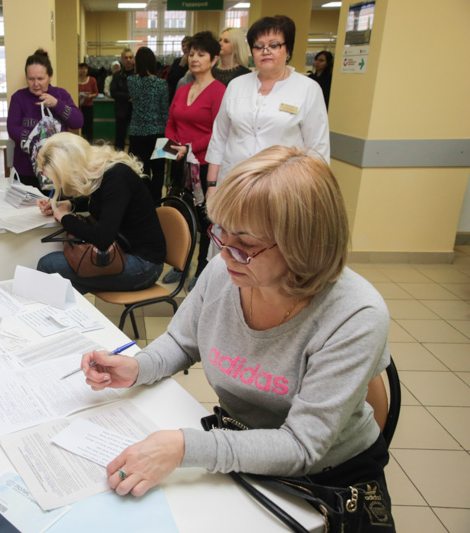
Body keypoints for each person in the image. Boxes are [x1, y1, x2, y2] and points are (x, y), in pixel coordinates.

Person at [80, 147, 395, 530]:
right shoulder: (225, 272)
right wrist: (137, 366)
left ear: (303, 244)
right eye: (221, 232)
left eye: (245, 243)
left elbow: (302, 446)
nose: (226, 254)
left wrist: (184, 447)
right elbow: (182, 341)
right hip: (241, 443)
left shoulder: (356, 315)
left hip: (328, 477)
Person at [205, 16, 330, 191]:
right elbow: (219, 137)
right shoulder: (236, 85)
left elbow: (317, 149)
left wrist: (312, 192)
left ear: (288, 49)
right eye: (258, 46)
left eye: (274, 45)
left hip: (283, 188)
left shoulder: (308, 89)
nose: (265, 51)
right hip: (234, 184)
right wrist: (212, 184)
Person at [35, 133, 166, 294]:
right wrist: (69, 204)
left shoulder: (117, 177)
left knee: (49, 266)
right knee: (65, 283)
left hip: (144, 264)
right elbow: (102, 203)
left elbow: (102, 239)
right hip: (124, 249)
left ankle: (59, 307)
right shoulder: (104, 170)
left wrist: (65, 218)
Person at [162, 32, 227, 289]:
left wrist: (189, 147)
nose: (194, 59)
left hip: (204, 165)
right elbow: (170, 123)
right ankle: (181, 264)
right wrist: (174, 147)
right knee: (179, 214)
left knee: (204, 220)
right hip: (179, 160)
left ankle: (201, 269)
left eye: (201, 54)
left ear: (213, 60)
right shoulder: (182, 89)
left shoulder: (219, 91)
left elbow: (218, 132)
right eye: (191, 54)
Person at [7, 50, 83, 189]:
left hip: (58, 168)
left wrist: (57, 105)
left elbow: (77, 122)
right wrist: (37, 140)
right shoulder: (19, 98)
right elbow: (12, 128)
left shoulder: (61, 94)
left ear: (50, 77)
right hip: (26, 170)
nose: (36, 84)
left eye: (40, 79)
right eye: (31, 79)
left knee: (56, 202)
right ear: (26, 78)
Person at [126, 47, 168, 202]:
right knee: (159, 169)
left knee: (139, 169)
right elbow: (165, 111)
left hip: (136, 132)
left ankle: (143, 200)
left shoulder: (131, 81)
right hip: (158, 133)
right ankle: (156, 200)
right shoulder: (162, 84)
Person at [110, 48, 136, 151]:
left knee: (134, 138)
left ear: (133, 59)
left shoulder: (138, 75)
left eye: (130, 57)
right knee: (120, 137)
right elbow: (113, 92)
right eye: (126, 58)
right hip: (121, 110)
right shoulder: (117, 76)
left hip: (135, 111)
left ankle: (133, 156)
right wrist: (128, 97)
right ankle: (118, 158)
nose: (128, 60)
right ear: (122, 59)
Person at [166, 36, 191, 103]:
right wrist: (181, 66)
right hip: (177, 95)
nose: (185, 48)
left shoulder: (195, 61)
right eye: (183, 46)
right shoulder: (177, 61)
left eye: (187, 45)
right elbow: (170, 81)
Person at [77, 62, 98, 142]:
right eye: (81, 68)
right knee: (78, 124)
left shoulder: (92, 80)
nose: (83, 70)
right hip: (77, 106)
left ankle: (89, 142)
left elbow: (96, 93)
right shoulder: (74, 79)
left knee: (88, 125)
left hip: (88, 106)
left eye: (85, 68)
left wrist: (90, 96)